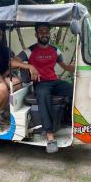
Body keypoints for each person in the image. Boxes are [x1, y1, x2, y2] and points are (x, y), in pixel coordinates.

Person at [12, 23, 75, 154]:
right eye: (41, 31)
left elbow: (65, 67)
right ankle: (50, 136)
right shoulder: (30, 51)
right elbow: (12, 62)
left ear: (49, 34)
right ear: (36, 34)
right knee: (43, 98)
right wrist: (29, 67)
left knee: (74, 91)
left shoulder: (55, 50)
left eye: (46, 31)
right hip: (41, 83)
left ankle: (68, 120)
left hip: (54, 81)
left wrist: (74, 66)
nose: (44, 34)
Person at [0, 25, 21, 91]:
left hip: (3, 77)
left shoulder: (6, 50)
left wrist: (3, 77)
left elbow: (13, 65)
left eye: (0, 35)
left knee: (16, 82)